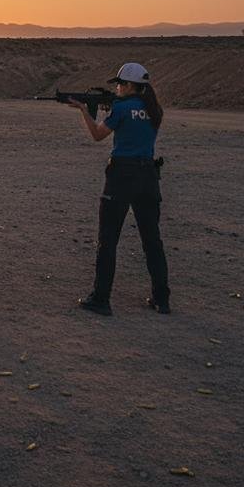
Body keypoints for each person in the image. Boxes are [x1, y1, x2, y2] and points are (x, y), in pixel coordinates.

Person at [70, 62, 170, 317]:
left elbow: (97, 135)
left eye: (120, 83)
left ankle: (101, 298)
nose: (117, 87)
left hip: (122, 175)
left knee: (108, 239)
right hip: (148, 175)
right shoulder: (154, 109)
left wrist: (84, 110)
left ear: (130, 86)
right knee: (152, 240)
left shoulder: (122, 108)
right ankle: (161, 298)